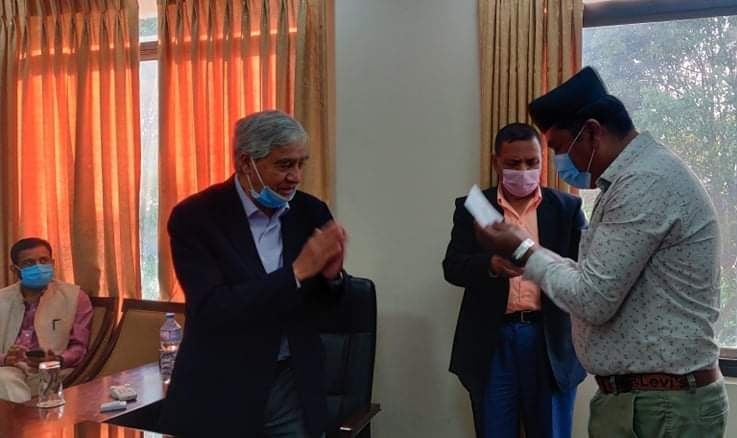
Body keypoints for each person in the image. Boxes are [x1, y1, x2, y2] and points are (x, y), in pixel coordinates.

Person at [476, 67, 729, 437]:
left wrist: (524, 250)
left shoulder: (644, 182)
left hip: (660, 407)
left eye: (559, 148)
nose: (562, 163)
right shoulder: (634, 178)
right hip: (647, 401)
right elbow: (592, 279)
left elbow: (592, 299)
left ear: (593, 132)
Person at [159, 110, 347, 437]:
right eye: (284, 165)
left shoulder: (310, 211)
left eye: (301, 164)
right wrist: (296, 273)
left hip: (291, 382)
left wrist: (332, 278)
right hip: (222, 386)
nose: (296, 177)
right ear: (246, 163)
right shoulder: (195, 217)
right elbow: (213, 308)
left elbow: (324, 309)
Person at [443, 123, 586, 438]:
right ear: (496, 162)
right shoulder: (474, 207)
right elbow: (452, 267)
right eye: (513, 163)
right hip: (491, 341)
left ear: (542, 160)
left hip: (549, 342)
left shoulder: (567, 208)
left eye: (532, 162)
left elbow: (584, 275)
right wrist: (491, 265)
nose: (523, 171)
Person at [0, 237, 93, 403]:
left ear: (53, 263)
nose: (38, 267)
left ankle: (22, 418)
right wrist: (6, 358)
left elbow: (79, 347)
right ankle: (27, 418)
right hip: (10, 367)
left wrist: (58, 360)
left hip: (53, 370)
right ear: (15, 270)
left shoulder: (75, 297)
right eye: (29, 263)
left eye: (43, 260)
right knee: (5, 378)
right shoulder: (2, 299)